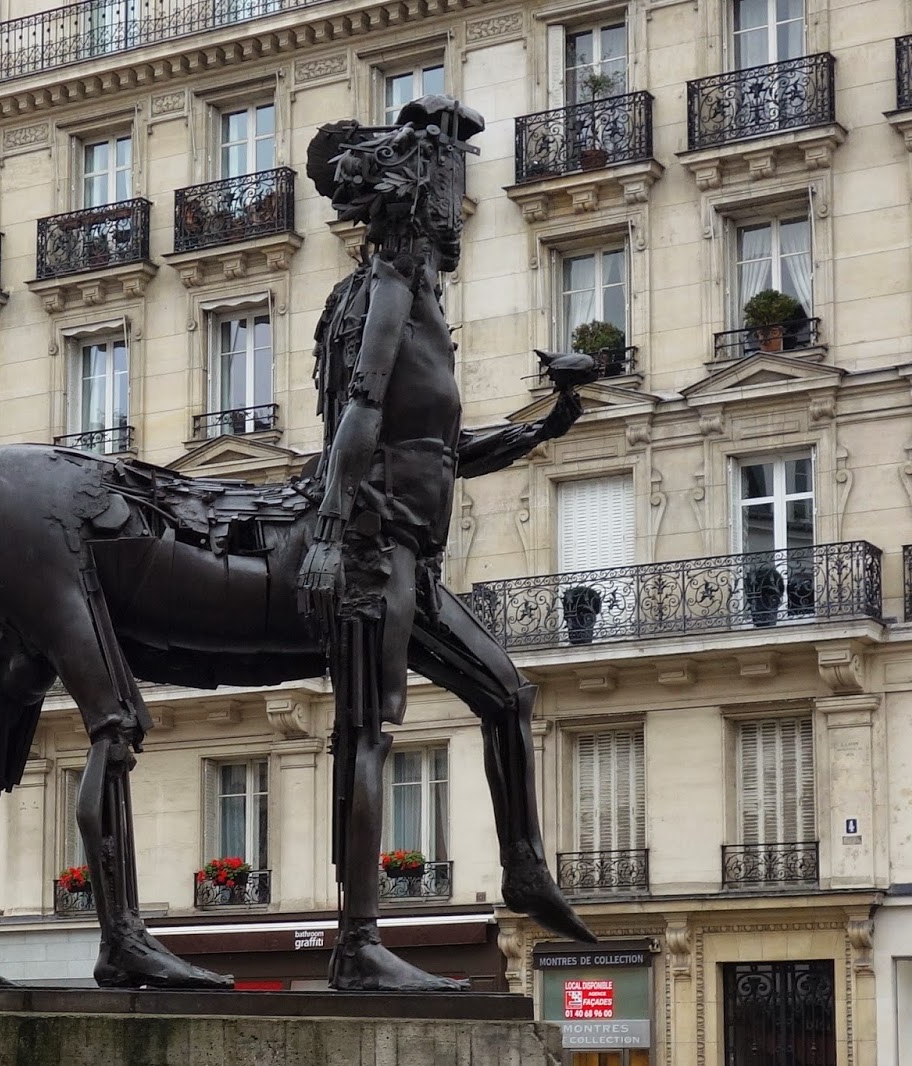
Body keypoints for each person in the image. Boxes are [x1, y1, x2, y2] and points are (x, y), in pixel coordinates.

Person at [299, 97, 596, 990]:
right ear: (420, 224)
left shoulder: (412, 300)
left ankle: (524, 871)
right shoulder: (387, 294)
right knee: (370, 733)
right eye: (444, 223)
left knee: (506, 692)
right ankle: (358, 942)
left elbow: (447, 452)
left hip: (412, 561)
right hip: (370, 545)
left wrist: (552, 421)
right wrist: (326, 531)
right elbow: (354, 422)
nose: (452, 241)